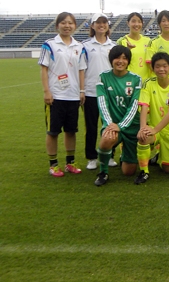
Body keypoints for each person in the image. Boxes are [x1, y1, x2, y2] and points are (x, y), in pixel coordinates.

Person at [39, 12, 87, 177]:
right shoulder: (49, 44)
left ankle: (70, 162)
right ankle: (53, 164)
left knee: (71, 131)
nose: (67, 26)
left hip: (73, 96)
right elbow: (44, 69)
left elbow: (81, 70)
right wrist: (47, 91)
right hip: (55, 96)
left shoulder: (79, 46)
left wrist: (81, 91)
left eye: (70, 23)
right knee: (53, 132)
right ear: (57, 25)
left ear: (75, 26)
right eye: (64, 23)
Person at [93, 45, 142, 186]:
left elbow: (134, 106)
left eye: (124, 58)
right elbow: (102, 104)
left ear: (128, 61)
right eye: (117, 58)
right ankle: (103, 172)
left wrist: (121, 126)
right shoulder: (103, 77)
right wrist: (110, 125)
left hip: (131, 127)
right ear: (111, 59)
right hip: (112, 125)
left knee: (128, 172)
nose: (120, 61)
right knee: (107, 139)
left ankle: (125, 155)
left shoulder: (136, 79)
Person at [135, 52, 169, 184]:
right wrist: (143, 128)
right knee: (143, 136)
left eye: (164, 66)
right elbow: (144, 106)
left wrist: (155, 129)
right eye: (157, 66)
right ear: (153, 68)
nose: (161, 69)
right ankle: (144, 171)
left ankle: (159, 156)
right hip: (153, 129)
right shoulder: (148, 84)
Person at [82, 12, 116, 171]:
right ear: (92, 25)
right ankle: (91, 157)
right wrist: (82, 90)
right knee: (91, 127)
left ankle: (108, 155)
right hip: (91, 92)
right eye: (98, 22)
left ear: (108, 25)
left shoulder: (114, 46)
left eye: (104, 22)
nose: (101, 25)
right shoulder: (85, 46)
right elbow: (81, 69)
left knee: (109, 126)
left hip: (109, 93)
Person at [146, 10, 169, 85]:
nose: (166, 23)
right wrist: (162, 75)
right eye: (163, 21)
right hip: (158, 81)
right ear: (159, 24)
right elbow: (149, 63)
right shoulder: (153, 42)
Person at [117, 12, 152, 82]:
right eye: (133, 21)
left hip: (146, 83)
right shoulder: (122, 41)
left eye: (139, 22)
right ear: (128, 23)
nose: (136, 24)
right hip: (128, 82)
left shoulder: (148, 41)